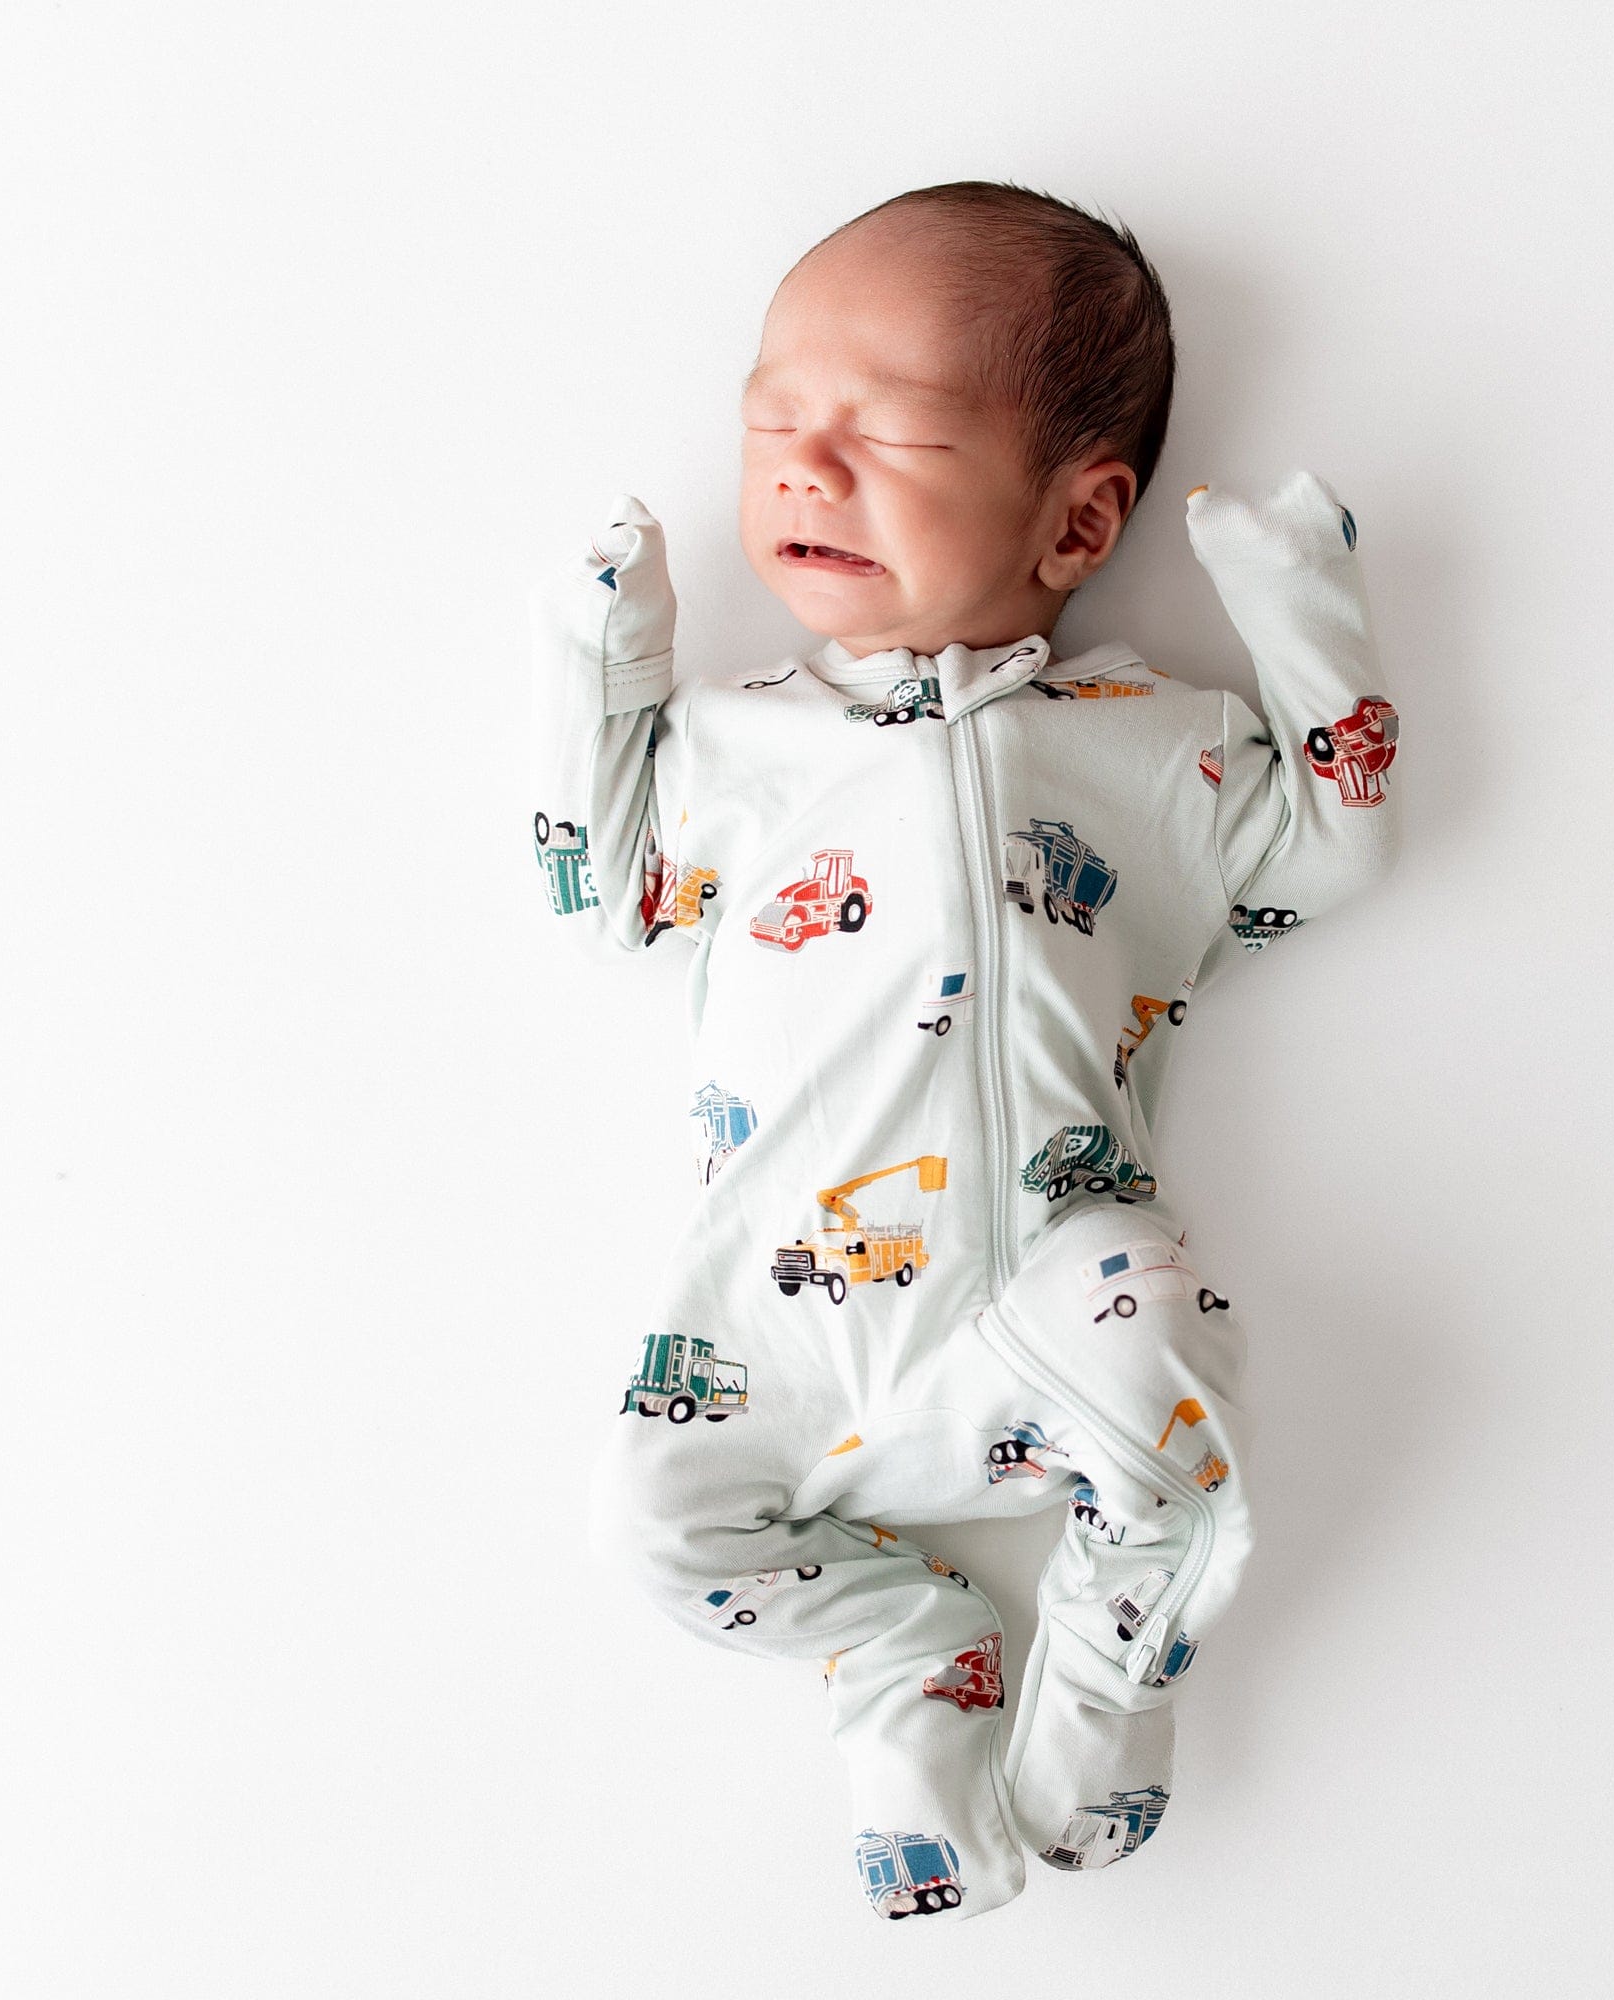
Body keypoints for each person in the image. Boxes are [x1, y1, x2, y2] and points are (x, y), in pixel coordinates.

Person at [529, 179, 1402, 1921]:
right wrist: (606, 660)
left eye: (886, 431)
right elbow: (603, 891)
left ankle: (1100, 1678)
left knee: (1165, 1368)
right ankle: (910, 1651)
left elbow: (1328, 851)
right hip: (784, 1313)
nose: (797, 465)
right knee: (649, 1517)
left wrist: (1301, 617)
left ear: (1079, 525)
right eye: (775, 420)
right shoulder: (737, 745)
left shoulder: (1153, 743)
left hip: (1046, 1293)